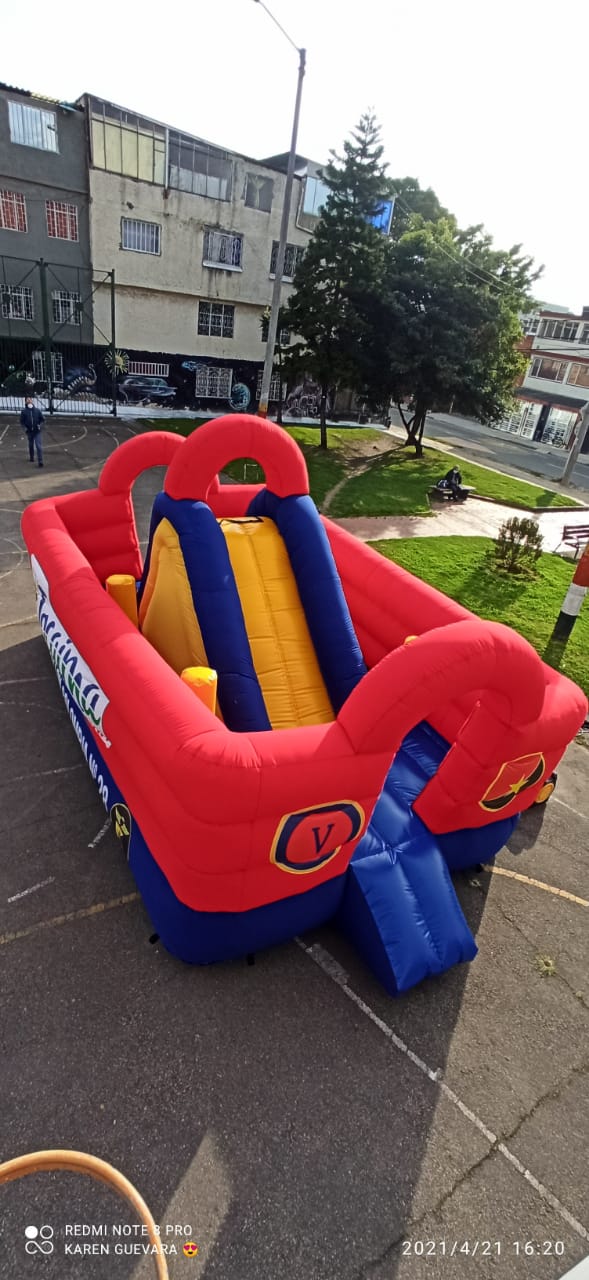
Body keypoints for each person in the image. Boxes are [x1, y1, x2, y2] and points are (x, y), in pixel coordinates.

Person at [20, 398, 44, 467]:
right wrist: (25, 429)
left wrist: (40, 426)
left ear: (32, 401)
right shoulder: (24, 412)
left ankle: (40, 461)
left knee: (38, 446)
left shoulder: (37, 410)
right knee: (31, 445)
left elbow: (42, 420)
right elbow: (22, 422)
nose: (29, 401)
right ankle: (32, 457)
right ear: (26, 402)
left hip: (37, 431)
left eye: (30, 400)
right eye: (27, 400)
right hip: (29, 432)